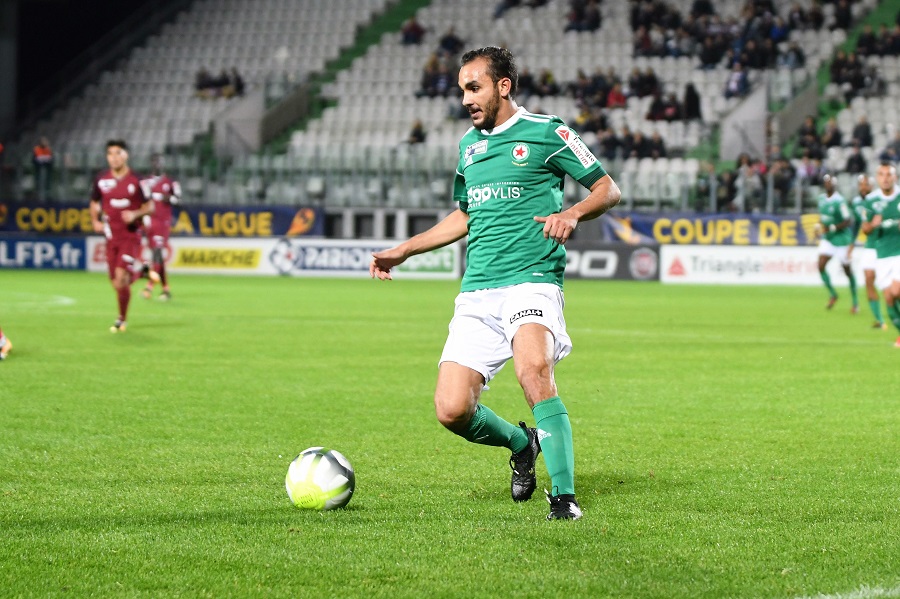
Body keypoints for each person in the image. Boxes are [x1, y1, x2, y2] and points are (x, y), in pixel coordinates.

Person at [370, 46, 621, 521]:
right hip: (478, 290)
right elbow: (464, 215)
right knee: (451, 409)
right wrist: (405, 249)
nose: (466, 98)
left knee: (534, 371)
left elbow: (608, 188)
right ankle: (522, 443)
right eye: (462, 90)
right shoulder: (469, 146)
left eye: (474, 87)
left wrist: (572, 213)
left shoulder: (548, 132)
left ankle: (563, 497)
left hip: (532, 280)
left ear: (503, 86)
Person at [89, 140, 160, 332]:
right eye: (110, 154)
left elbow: (151, 206)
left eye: (118, 153)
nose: (114, 157)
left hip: (130, 235)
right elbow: (94, 202)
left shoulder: (138, 180)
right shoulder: (101, 179)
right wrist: (95, 220)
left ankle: (121, 319)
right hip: (111, 236)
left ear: (126, 155)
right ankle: (142, 273)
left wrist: (135, 214)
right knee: (116, 283)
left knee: (121, 278)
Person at [862, 163, 900, 346]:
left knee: (896, 291)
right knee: (889, 298)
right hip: (882, 254)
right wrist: (872, 225)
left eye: (889, 175)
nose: (885, 178)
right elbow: (865, 229)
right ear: (877, 178)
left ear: (895, 177)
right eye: (882, 174)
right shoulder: (871, 201)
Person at [815, 174, 858, 312]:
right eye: (826, 182)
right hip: (828, 239)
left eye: (830, 182)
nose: (828, 184)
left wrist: (833, 227)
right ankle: (833, 294)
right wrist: (818, 226)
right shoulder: (821, 199)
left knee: (847, 270)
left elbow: (848, 220)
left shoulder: (840, 201)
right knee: (820, 265)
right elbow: (823, 217)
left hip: (841, 240)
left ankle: (855, 302)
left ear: (834, 185)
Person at [140, 154, 181, 301]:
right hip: (150, 221)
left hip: (163, 222)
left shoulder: (171, 182)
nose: (158, 164)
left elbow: (178, 200)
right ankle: (165, 289)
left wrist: (168, 198)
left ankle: (149, 287)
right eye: (155, 161)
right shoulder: (145, 182)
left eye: (160, 162)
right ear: (151, 163)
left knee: (157, 253)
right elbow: (141, 200)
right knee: (158, 257)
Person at [850, 174, 886, 329]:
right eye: (861, 185)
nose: (863, 188)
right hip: (870, 246)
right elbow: (858, 225)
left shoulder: (882, 200)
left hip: (887, 247)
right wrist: (851, 243)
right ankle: (880, 320)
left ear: (872, 186)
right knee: (868, 279)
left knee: (891, 287)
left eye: (866, 185)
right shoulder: (857, 203)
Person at [32, 136, 54, 202]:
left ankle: (48, 195)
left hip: (47, 168)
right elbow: (35, 159)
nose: (45, 142)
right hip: (38, 169)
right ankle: (37, 194)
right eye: (43, 141)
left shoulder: (48, 149)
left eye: (46, 141)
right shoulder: (36, 149)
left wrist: (46, 159)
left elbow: (51, 159)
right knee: (38, 181)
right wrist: (42, 159)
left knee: (47, 181)